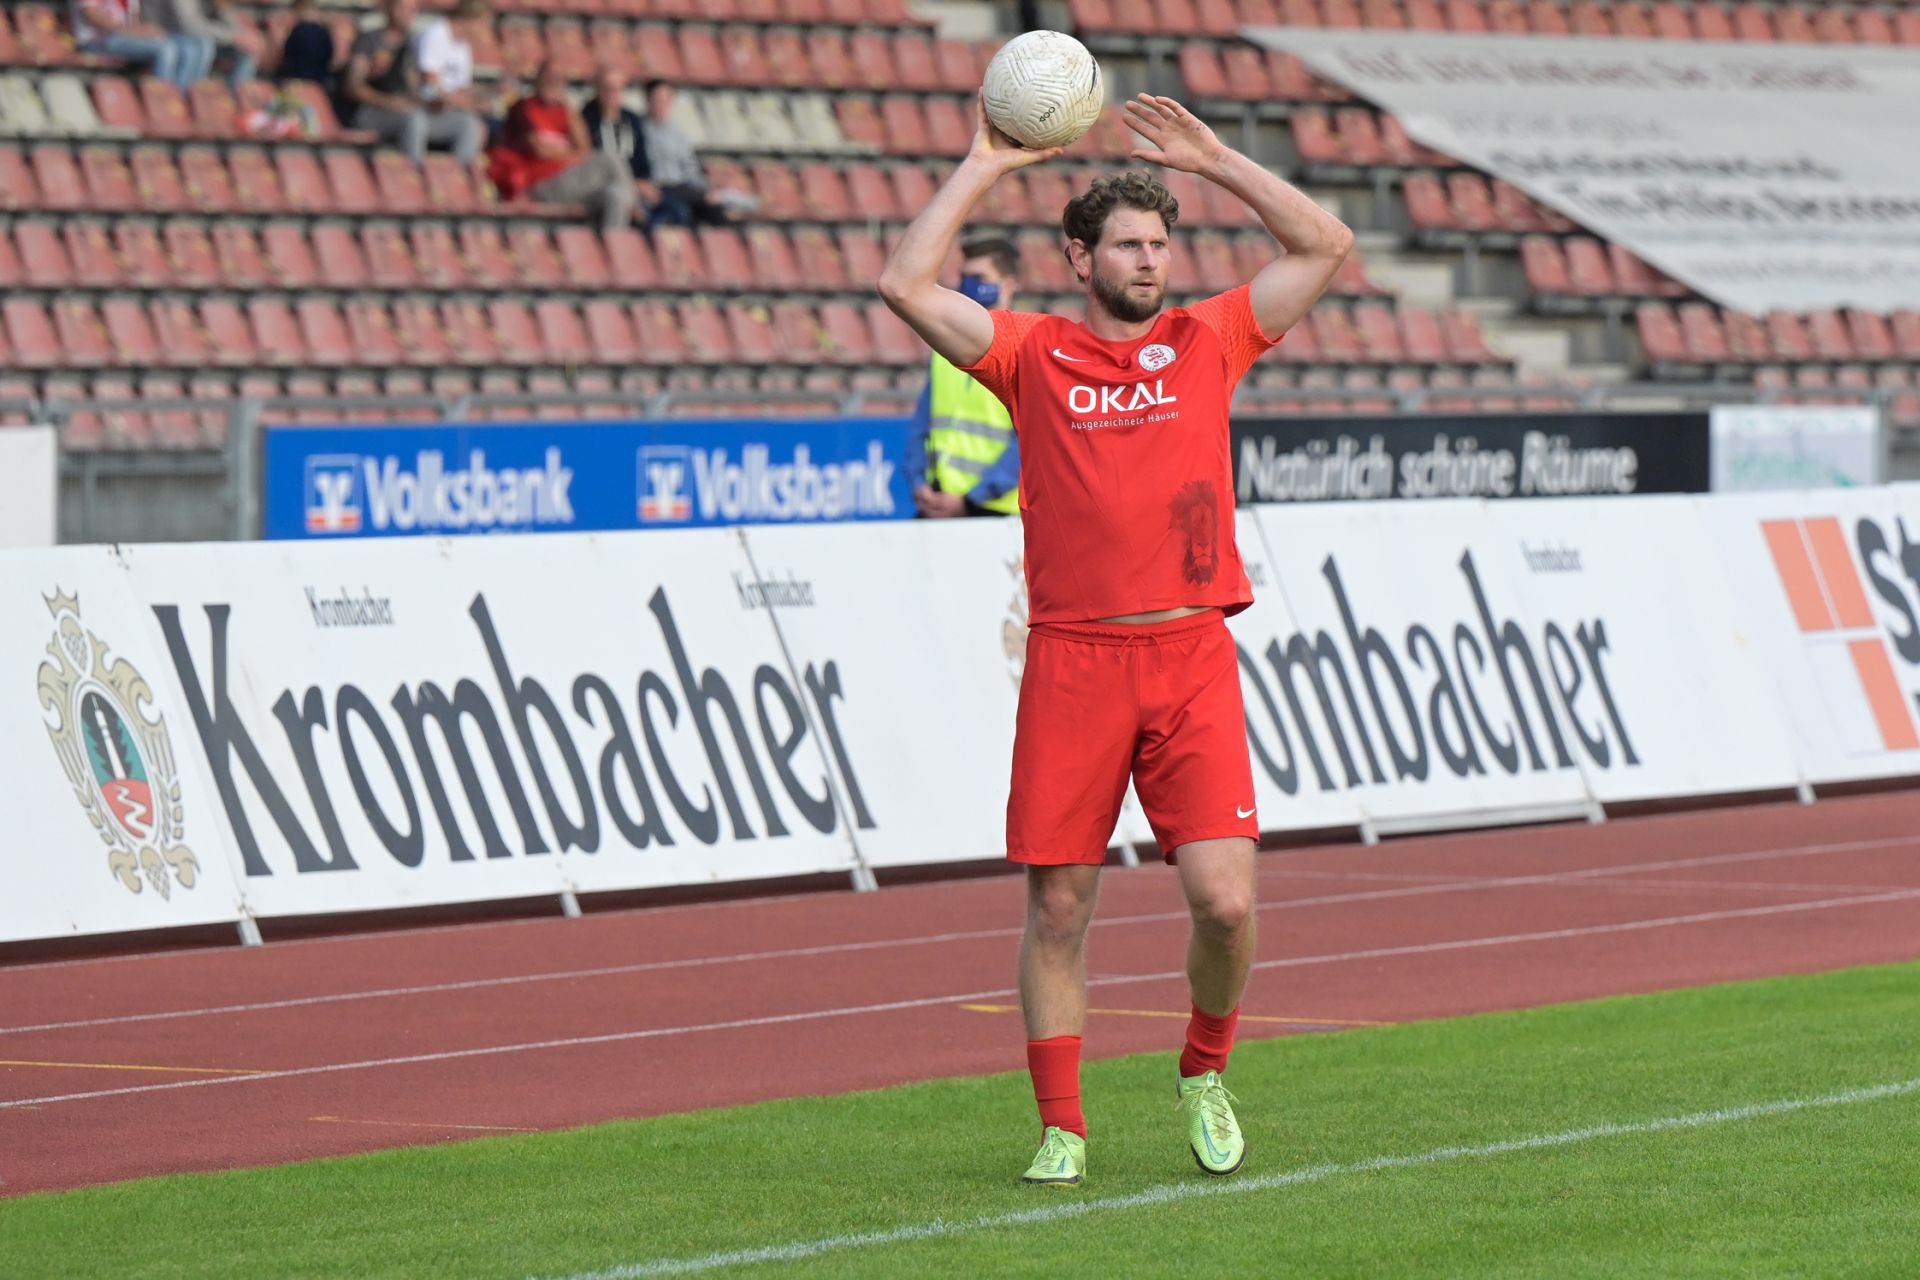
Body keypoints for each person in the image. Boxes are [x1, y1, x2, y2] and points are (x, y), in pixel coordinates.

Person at [877, 93, 1353, 1187]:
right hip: (1074, 659)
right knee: (1058, 903)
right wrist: (984, 162)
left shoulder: (1210, 338)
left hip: (1190, 656)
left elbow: (1327, 243)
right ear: (1080, 256)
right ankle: (1062, 1124)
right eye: (1131, 246)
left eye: (1161, 244)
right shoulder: (1030, 353)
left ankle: (1203, 1067)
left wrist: (1218, 158)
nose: (1151, 261)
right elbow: (903, 285)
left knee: (1226, 901)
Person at [907, 234, 1022, 517]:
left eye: (978, 277)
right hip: (937, 504)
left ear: (1007, 285)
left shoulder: (1027, 350)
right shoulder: (944, 348)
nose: (968, 285)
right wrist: (918, 482)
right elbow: (922, 424)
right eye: (964, 277)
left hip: (994, 512)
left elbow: (1031, 443)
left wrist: (972, 499)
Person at [488, 61, 635, 229]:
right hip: (540, 185)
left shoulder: (564, 111)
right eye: (549, 77)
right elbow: (540, 151)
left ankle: (616, 249)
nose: (553, 82)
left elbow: (585, 146)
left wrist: (567, 107)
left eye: (558, 78)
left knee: (616, 196)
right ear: (538, 79)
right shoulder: (523, 108)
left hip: (569, 184)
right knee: (609, 160)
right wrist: (574, 154)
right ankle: (636, 203)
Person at [341, 0, 485, 166]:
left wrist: (433, 101)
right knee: (414, 120)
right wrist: (389, 102)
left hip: (407, 110)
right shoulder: (370, 40)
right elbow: (352, 87)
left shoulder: (413, 44)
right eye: (403, 7)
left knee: (467, 124)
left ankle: (458, 182)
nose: (409, 13)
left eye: (413, 8)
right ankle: (414, 176)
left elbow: (415, 86)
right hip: (368, 112)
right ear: (389, 8)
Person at [638, 78, 731, 228]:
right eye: (657, 100)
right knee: (683, 210)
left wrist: (706, 188)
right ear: (647, 100)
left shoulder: (678, 134)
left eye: (666, 100)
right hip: (658, 188)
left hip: (682, 188)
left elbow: (690, 168)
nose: (662, 105)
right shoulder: (638, 130)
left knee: (714, 210)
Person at [69, 0, 212, 89]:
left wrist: (145, 31)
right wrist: (131, 31)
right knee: (166, 49)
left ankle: (183, 97)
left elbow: (134, 20)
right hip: (99, 40)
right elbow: (90, 14)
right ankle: (163, 100)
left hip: (124, 38)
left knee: (200, 46)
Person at [581, 64, 659, 219]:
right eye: (607, 88)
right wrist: (634, 186)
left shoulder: (632, 120)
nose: (612, 94)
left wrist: (643, 183)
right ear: (597, 89)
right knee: (617, 195)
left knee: (676, 209)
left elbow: (642, 161)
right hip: (600, 186)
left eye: (617, 89)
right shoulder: (585, 119)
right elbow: (587, 160)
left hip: (635, 187)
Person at [148, 0, 260, 87]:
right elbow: (189, 25)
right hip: (166, 33)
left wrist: (242, 36)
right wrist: (233, 37)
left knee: (248, 49)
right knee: (202, 46)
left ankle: (234, 101)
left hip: (196, 36)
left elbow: (225, 14)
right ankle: (185, 96)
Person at [273, 0, 334, 87]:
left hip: (297, 80)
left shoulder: (298, 31)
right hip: (320, 80)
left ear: (300, 10)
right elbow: (330, 56)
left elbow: (287, 55)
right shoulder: (324, 32)